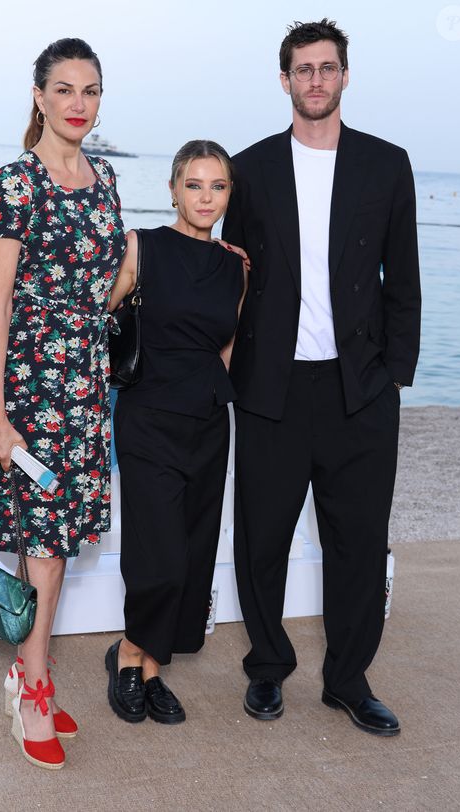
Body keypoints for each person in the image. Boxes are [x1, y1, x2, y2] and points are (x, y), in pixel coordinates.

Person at [222, 19, 421, 736]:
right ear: (285, 80)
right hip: (271, 387)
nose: (315, 80)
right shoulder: (249, 169)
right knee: (262, 539)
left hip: (359, 388)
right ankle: (267, 667)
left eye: (327, 67)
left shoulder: (386, 165)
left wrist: (395, 374)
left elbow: (404, 278)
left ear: (344, 76)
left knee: (358, 541)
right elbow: (233, 279)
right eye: (303, 69)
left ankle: (348, 680)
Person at [0, 38, 125, 768]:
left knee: (54, 543)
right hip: (27, 391)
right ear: (39, 97)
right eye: (64, 89)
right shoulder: (14, 185)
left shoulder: (105, 177)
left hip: (83, 388)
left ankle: (29, 674)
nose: (78, 104)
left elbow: (108, 288)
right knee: (46, 549)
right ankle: (33, 690)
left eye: (90, 90)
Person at [105, 140, 247, 724]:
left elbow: (228, 345)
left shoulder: (235, 266)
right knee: (157, 554)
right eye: (194, 185)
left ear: (229, 195)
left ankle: (152, 667)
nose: (205, 197)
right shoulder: (141, 247)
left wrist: (211, 391)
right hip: (148, 417)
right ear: (172, 190)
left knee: (190, 553)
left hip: (208, 422)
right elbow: (101, 319)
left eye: (217, 186)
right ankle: (127, 654)